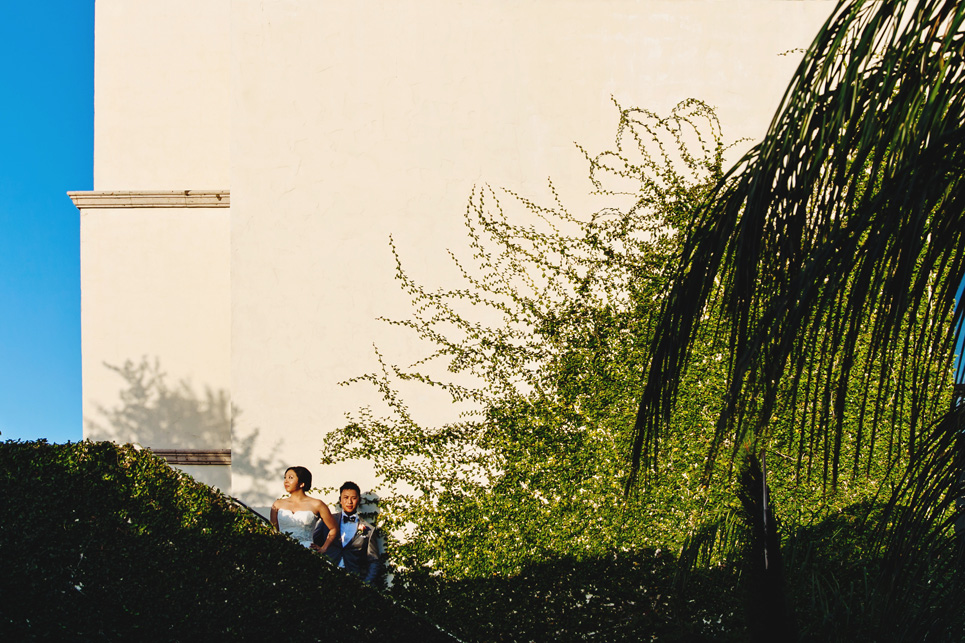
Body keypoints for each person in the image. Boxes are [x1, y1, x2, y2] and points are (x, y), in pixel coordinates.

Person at [314, 481, 380, 583]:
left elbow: (373, 560)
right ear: (340, 500)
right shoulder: (327, 520)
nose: (349, 502)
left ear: (359, 500)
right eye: (346, 498)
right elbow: (315, 543)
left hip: (353, 581)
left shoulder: (368, 529)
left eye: (353, 498)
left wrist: (365, 584)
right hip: (326, 577)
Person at [270, 466, 338, 552]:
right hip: (283, 551)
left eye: (290, 478)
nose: (286, 481)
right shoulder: (277, 504)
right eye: (285, 478)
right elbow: (274, 532)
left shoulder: (317, 504)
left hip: (307, 552)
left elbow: (334, 528)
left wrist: (324, 548)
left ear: (302, 483)